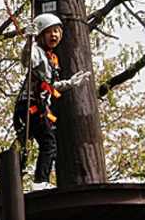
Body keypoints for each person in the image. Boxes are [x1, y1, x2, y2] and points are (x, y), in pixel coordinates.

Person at [13, 13, 91, 190]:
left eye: (57, 32)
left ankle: (14, 181)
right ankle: (40, 182)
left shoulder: (50, 58)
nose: (54, 35)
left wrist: (70, 84)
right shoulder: (38, 52)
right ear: (41, 35)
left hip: (33, 107)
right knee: (48, 144)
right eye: (49, 32)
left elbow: (49, 85)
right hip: (30, 107)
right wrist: (29, 41)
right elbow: (27, 61)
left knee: (29, 146)